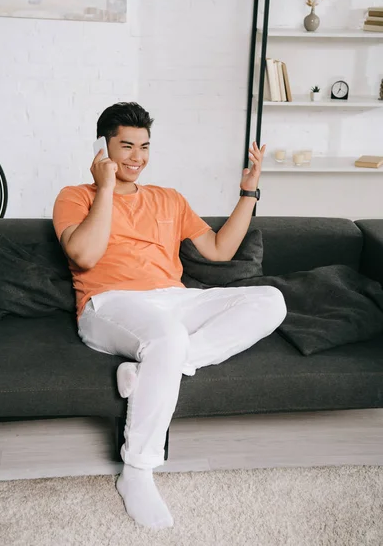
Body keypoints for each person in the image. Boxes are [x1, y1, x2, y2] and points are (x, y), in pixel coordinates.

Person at [52, 102, 287, 531]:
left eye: (144, 147)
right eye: (126, 146)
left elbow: (219, 251)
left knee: (270, 299)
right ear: (102, 148)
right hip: (110, 303)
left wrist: (248, 193)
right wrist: (104, 186)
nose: (137, 157)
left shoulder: (168, 198)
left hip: (173, 300)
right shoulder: (75, 196)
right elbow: (84, 256)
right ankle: (137, 470)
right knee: (167, 336)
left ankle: (152, 371)